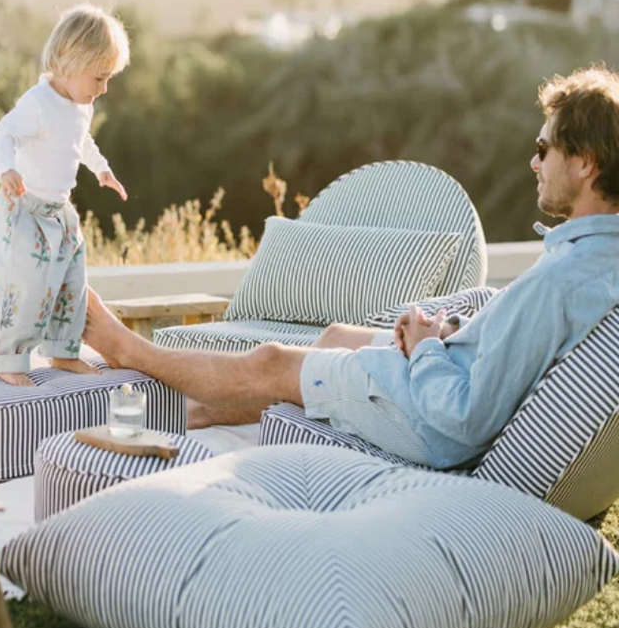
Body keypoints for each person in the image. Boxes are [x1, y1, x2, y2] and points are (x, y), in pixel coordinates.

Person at [84, 66, 619, 470]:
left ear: (585, 162)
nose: (534, 160)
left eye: (544, 147)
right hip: (442, 371)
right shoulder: (594, 259)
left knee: (273, 361)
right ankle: (192, 418)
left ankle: (129, 349)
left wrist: (428, 350)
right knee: (338, 333)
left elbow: (466, 417)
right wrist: (443, 334)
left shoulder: (559, 282)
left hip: (425, 418)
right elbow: (508, 352)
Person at [0, 3, 130, 385]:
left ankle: (64, 351)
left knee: (71, 282)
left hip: (60, 211)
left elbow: (81, 142)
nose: (104, 88)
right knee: (25, 286)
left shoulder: (81, 107)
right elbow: (4, 133)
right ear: (70, 61)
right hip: (26, 209)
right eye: (99, 77)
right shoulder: (38, 102)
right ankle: (7, 359)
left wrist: (101, 169)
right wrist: (7, 170)